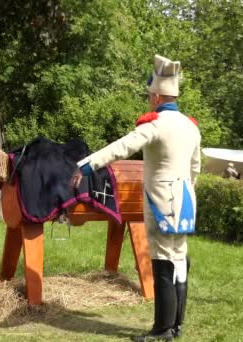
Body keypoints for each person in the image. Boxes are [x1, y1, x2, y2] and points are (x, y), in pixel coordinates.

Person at [73, 55, 201, 341]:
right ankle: (177, 326)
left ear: (156, 96)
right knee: (180, 259)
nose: (148, 100)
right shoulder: (191, 126)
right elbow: (195, 169)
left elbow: (122, 147)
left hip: (161, 201)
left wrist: (86, 164)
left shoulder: (156, 124)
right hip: (185, 200)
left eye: (149, 96)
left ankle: (162, 330)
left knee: (163, 260)